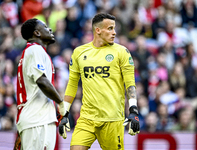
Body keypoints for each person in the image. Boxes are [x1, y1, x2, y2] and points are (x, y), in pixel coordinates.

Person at [59, 13, 140, 150]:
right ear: (98, 30)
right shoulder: (79, 52)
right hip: (86, 118)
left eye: (114, 29)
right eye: (110, 28)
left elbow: (130, 83)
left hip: (112, 120)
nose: (114, 33)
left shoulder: (122, 52)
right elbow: (72, 84)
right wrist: (64, 113)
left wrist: (133, 110)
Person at [13, 18, 68, 150]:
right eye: (45, 27)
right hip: (36, 121)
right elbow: (41, 81)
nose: (50, 29)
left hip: (39, 119)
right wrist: (61, 103)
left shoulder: (35, 52)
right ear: (37, 33)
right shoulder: (34, 50)